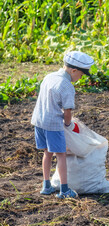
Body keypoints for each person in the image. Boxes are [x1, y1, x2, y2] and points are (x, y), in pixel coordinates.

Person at [31, 51, 94, 199]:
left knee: (47, 153)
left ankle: (46, 185)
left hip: (39, 121)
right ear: (74, 70)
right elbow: (67, 112)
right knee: (61, 155)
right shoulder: (66, 86)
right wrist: (68, 125)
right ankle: (64, 190)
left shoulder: (49, 76)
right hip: (53, 124)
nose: (81, 78)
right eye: (82, 74)